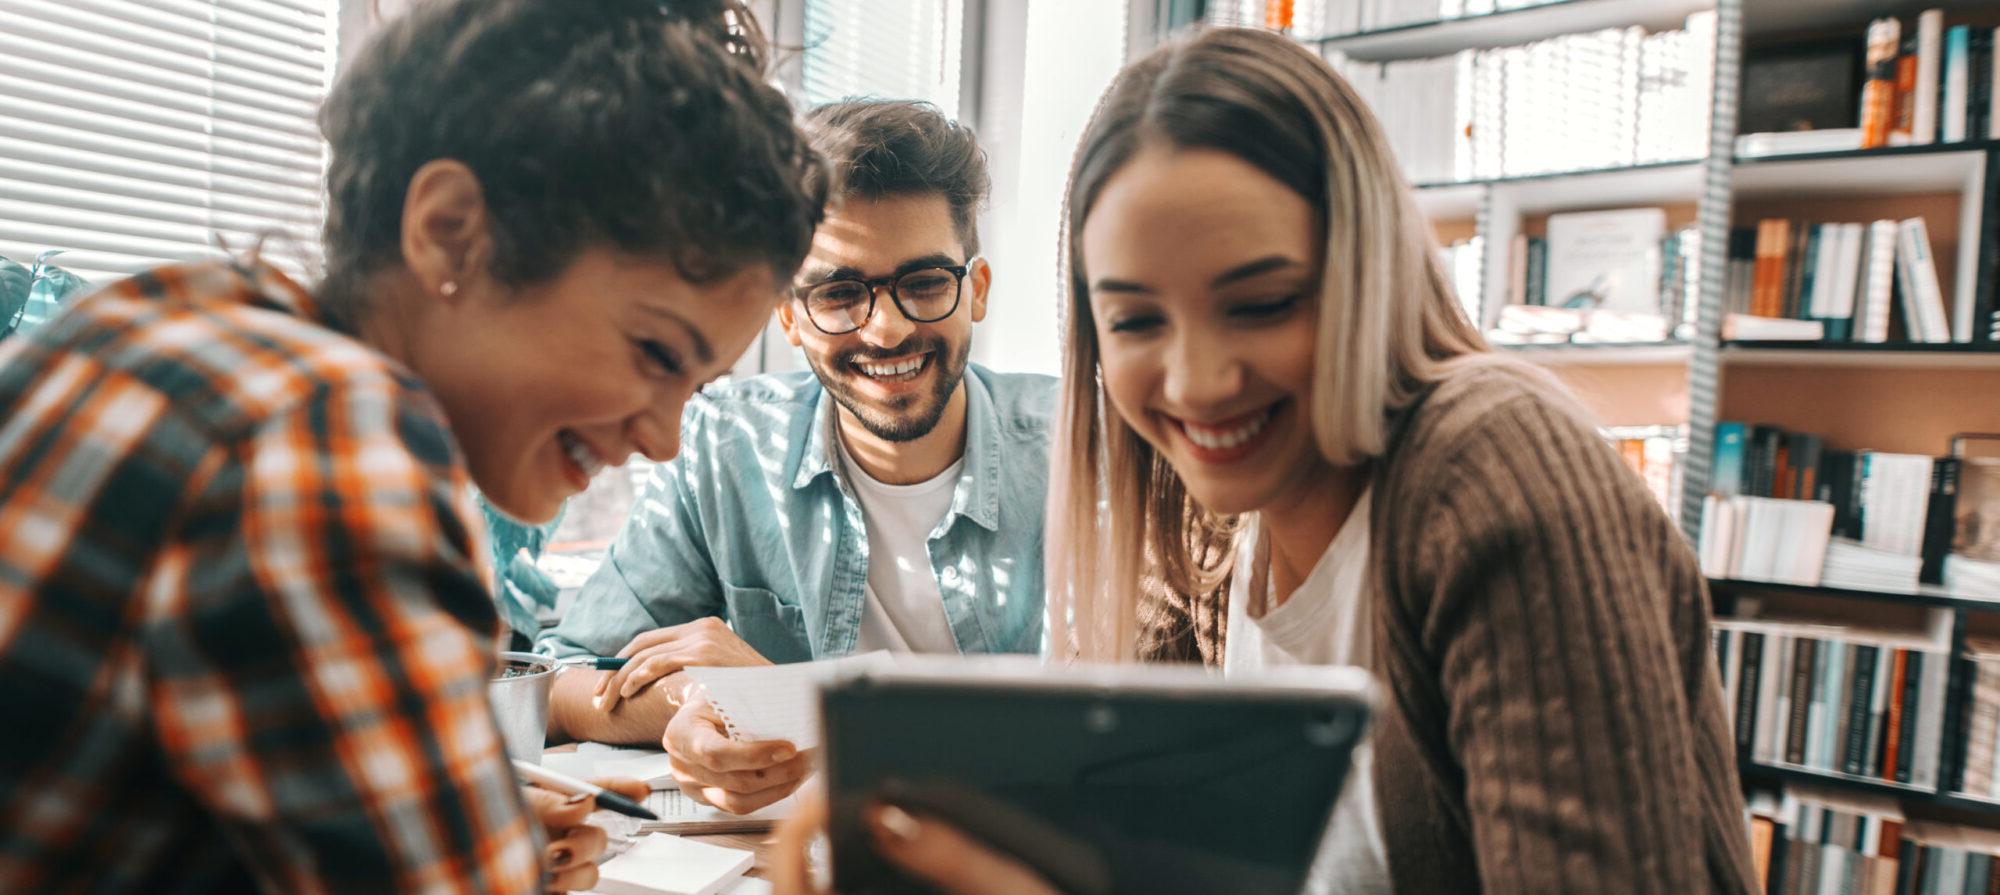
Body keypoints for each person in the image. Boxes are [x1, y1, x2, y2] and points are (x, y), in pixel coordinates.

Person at [773, 25, 1757, 895]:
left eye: (1259, 303)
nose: (1196, 384)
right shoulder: (1202, 519)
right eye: (1135, 319)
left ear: (1363, 274)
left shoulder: (1491, 471)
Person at [0, 0, 824, 891]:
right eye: (655, 352)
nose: (664, 440)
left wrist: (461, 821)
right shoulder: (324, 441)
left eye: (694, 385)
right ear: (450, 231)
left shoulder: (161, 320)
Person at [541, 100, 1056, 814]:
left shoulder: (1078, 453)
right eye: (841, 293)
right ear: (789, 315)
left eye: (926, 283)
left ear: (978, 292)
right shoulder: (724, 444)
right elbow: (566, 678)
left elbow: (1103, 731)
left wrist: (791, 703)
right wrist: (697, 702)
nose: (886, 328)